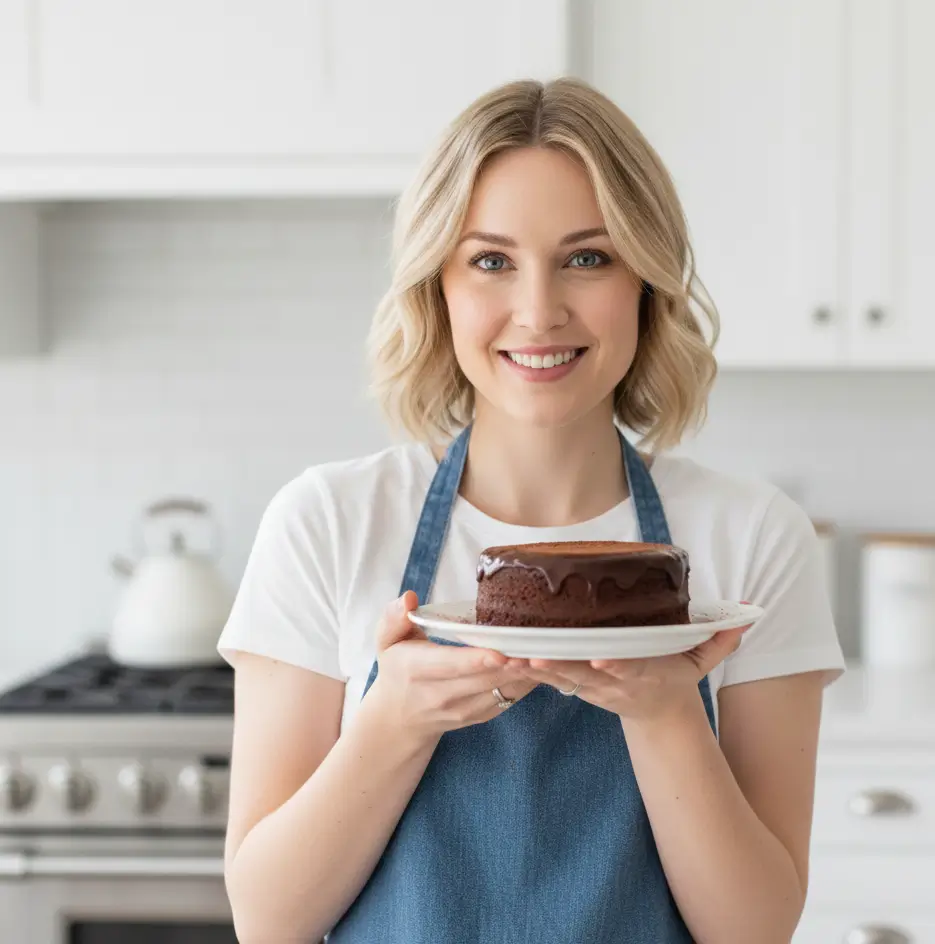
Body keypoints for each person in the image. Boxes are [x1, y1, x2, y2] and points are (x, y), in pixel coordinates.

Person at [217, 77, 846, 944]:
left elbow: (753, 930)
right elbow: (267, 920)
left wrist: (664, 712)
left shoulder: (751, 538)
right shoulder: (328, 522)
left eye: (587, 257)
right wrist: (395, 723)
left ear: (645, 281)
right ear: (435, 284)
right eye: (490, 260)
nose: (539, 310)